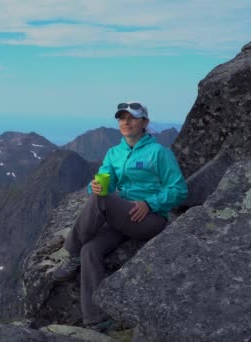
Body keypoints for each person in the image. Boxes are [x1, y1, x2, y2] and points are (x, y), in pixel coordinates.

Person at [51, 101, 188, 331]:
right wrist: (93, 186)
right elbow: (104, 182)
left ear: (144, 123)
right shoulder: (114, 153)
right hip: (123, 217)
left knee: (101, 201)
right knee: (90, 250)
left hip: (150, 220)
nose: (125, 122)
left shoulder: (159, 153)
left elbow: (179, 190)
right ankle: (96, 319)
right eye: (121, 118)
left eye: (132, 118)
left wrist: (149, 203)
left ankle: (71, 252)